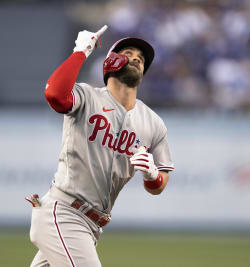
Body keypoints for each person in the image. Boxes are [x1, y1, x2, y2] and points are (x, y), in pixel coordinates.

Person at [26, 25, 174, 266]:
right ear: (111, 62)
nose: (136, 59)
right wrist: (80, 52)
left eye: (141, 59)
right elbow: (55, 95)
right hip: (64, 213)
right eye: (128, 54)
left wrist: (152, 175)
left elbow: (159, 185)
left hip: (92, 225)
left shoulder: (153, 123)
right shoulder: (87, 97)